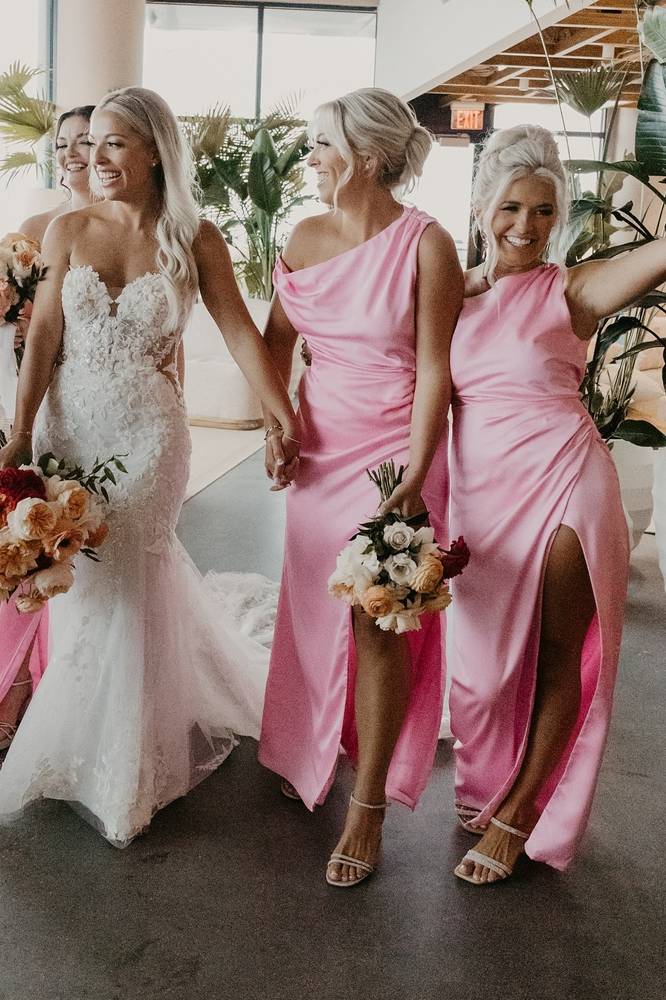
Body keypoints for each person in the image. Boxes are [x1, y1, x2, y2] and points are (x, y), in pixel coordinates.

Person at [0, 86, 299, 847]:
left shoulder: (195, 238)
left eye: (114, 143)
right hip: (69, 433)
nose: (94, 158)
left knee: (132, 582)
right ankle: (78, 738)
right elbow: (43, 339)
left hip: (149, 437)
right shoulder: (68, 229)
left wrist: (280, 414)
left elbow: (239, 333)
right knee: (84, 588)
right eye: (89, 143)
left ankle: (125, 770)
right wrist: (21, 434)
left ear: (155, 152)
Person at [258, 87, 463, 887]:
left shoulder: (428, 244)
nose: (308, 158)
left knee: (379, 618)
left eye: (321, 144)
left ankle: (368, 804)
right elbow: (278, 342)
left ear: (368, 158)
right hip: (320, 451)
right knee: (314, 609)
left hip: (394, 455)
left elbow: (436, 368)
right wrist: (278, 427)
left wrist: (416, 471)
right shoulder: (305, 237)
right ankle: (311, 746)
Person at [448, 123, 645, 884]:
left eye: (542, 211)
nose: (525, 227)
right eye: (510, 208)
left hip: (566, 478)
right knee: (485, 673)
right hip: (481, 497)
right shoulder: (446, 294)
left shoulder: (572, 290)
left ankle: (520, 813)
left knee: (560, 655)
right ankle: (493, 787)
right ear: (481, 208)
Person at [0, 105, 96, 752]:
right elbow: (20, 329)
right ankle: (15, 683)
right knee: (26, 539)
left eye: (87, 141)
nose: (72, 154)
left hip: (102, 407)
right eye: (64, 144)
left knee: (81, 544)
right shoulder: (33, 232)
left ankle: (60, 684)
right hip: (36, 401)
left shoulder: (130, 230)